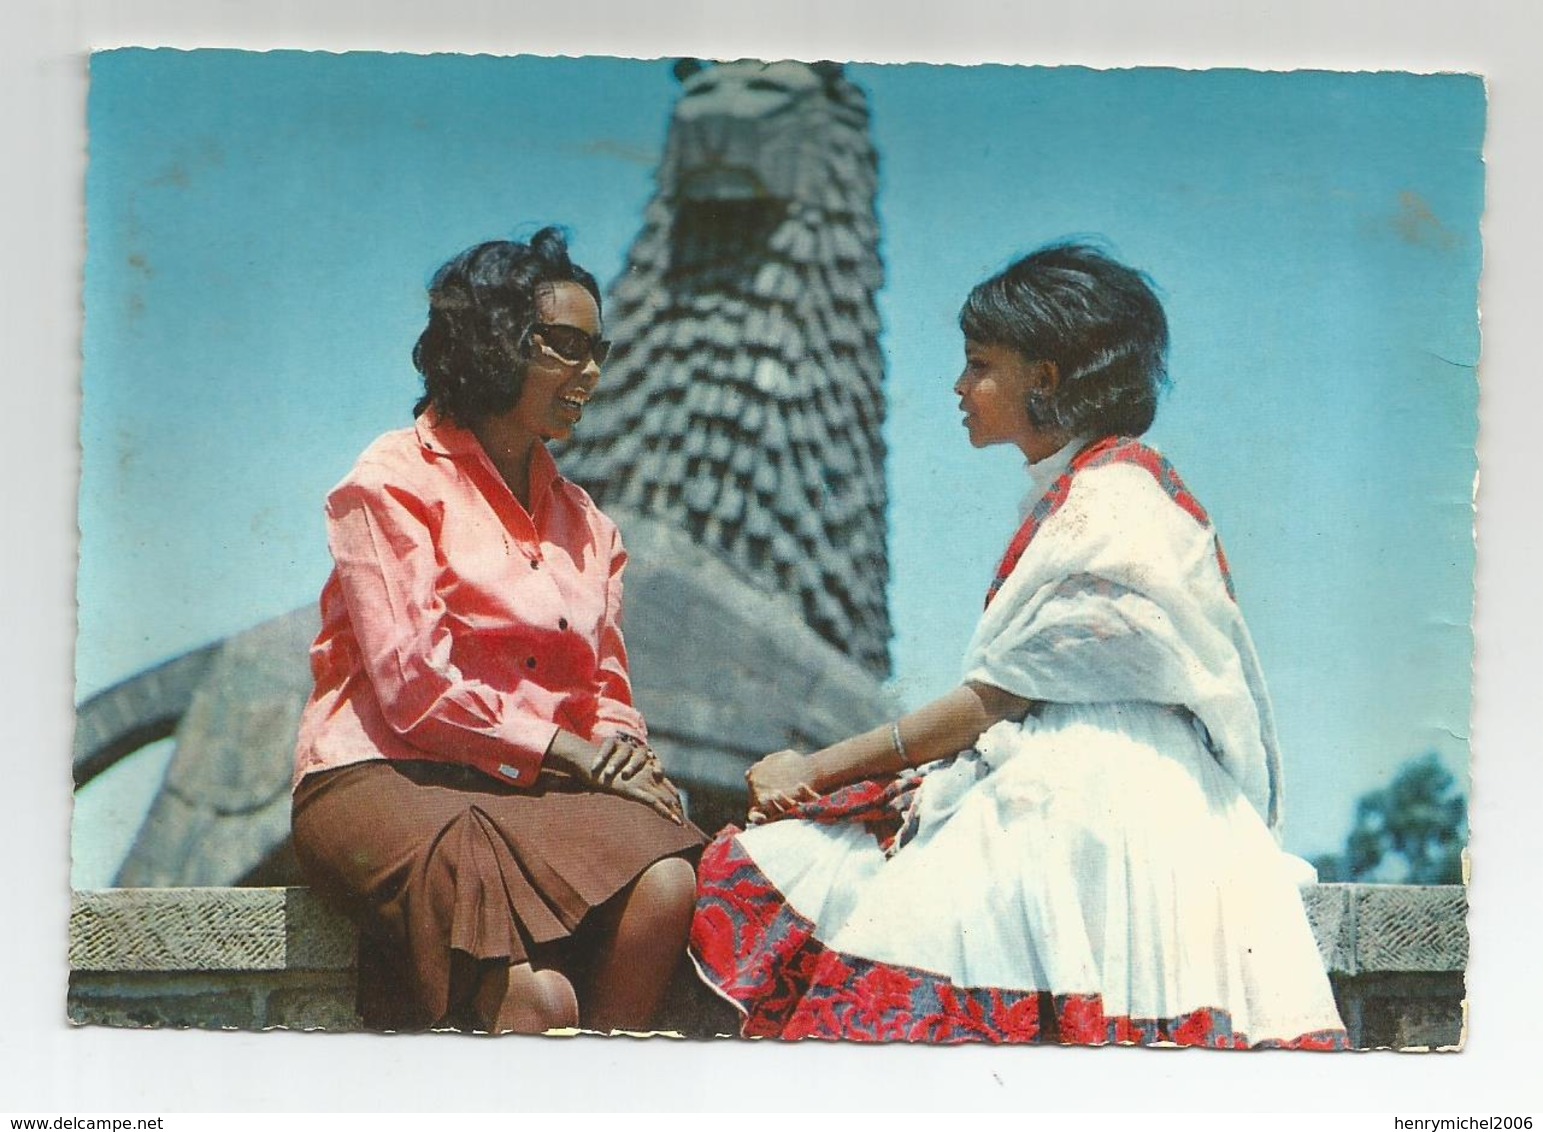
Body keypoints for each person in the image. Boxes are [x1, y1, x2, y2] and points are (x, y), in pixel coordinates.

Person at [690, 241, 1349, 1048]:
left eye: (978, 365)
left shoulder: (1107, 504)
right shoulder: (1110, 488)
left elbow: (993, 699)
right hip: (1129, 802)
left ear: (1044, 378)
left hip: (1094, 810)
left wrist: (811, 768)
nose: (959, 388)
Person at [291, 229, 705, 1034]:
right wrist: (578, 756)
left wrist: (626, 759)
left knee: (667, 877)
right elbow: (414, 689)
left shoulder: (587, 521)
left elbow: (605, 690)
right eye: (566, 346)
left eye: (599, 350)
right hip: (384, 778)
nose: (590, 373)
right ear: (493, 345)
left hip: (533, 785)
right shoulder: (388, 481)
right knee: (539, 1002)